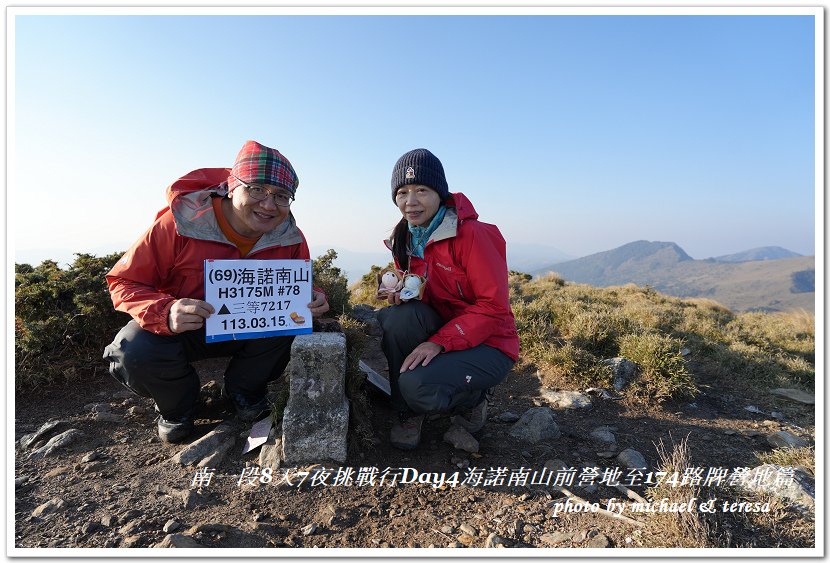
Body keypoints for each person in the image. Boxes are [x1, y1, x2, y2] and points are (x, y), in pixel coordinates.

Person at [102, 140, 329, 443]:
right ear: (232, 187)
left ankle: (244, 392)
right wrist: (166, 312)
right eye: (257, 189)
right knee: (133, 349)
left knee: (296, 322)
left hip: (250, 327)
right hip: (186, 329)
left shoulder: (289, 235)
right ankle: (178, 407)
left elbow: (296, 282)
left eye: (282, 196)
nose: (269, 204)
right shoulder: (179, 224)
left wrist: (313, 296)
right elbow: (124, 281)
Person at [377, 148, 519, 450]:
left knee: (417, 385)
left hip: (490, 343)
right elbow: (420, 292)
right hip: (445, 328)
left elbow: (493, 307)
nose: (410, 201)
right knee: (397, 319)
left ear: (440, 193)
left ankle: (473, 398)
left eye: (421, 190)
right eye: (402, 192)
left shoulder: (474, 236)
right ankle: (408, 413)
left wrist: (440, 341)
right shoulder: (405, 238)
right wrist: (400, 294)